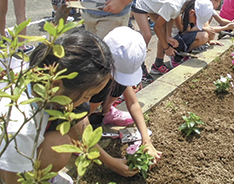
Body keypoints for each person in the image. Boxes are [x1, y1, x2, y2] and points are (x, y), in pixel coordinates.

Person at [0, 30, 142, 184]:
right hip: (8, 166)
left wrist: (111, 162)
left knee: (75, 123)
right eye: (87, 96)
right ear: (56, 85)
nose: (87, 102)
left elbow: (82, 128)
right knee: (59, 145)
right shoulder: (20, 126)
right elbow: (12, 181)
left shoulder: (46, 75)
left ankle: (43, 174)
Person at [88, 26, 162, 163]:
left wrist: (146, 140)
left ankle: (105, 112)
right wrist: (111, 162)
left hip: (97, 95)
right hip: (75, 114)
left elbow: (133, 102)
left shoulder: (114, 66)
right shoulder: (91, 77)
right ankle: (94, 114)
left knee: (118, 84)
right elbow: (78, 122)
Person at [132, 0, 190, 81]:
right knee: (146, 35)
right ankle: (138, 70)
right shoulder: (175, 5)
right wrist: (166, 47)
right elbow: (156, 27)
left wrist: (168, 37)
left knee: (163, 34)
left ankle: (157, 65)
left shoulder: (187, 0)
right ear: (192, 12)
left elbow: (170, 17)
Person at [169, 0, 224, 68]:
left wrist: (210, 40)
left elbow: (208, 28)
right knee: (203, 35)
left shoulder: (195, 8)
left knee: (204, 35)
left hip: (182, 37)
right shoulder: (177, 10)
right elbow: (182, 29)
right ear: (192, 12)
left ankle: (184, 53)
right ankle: (176, 56)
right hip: (174, 39)